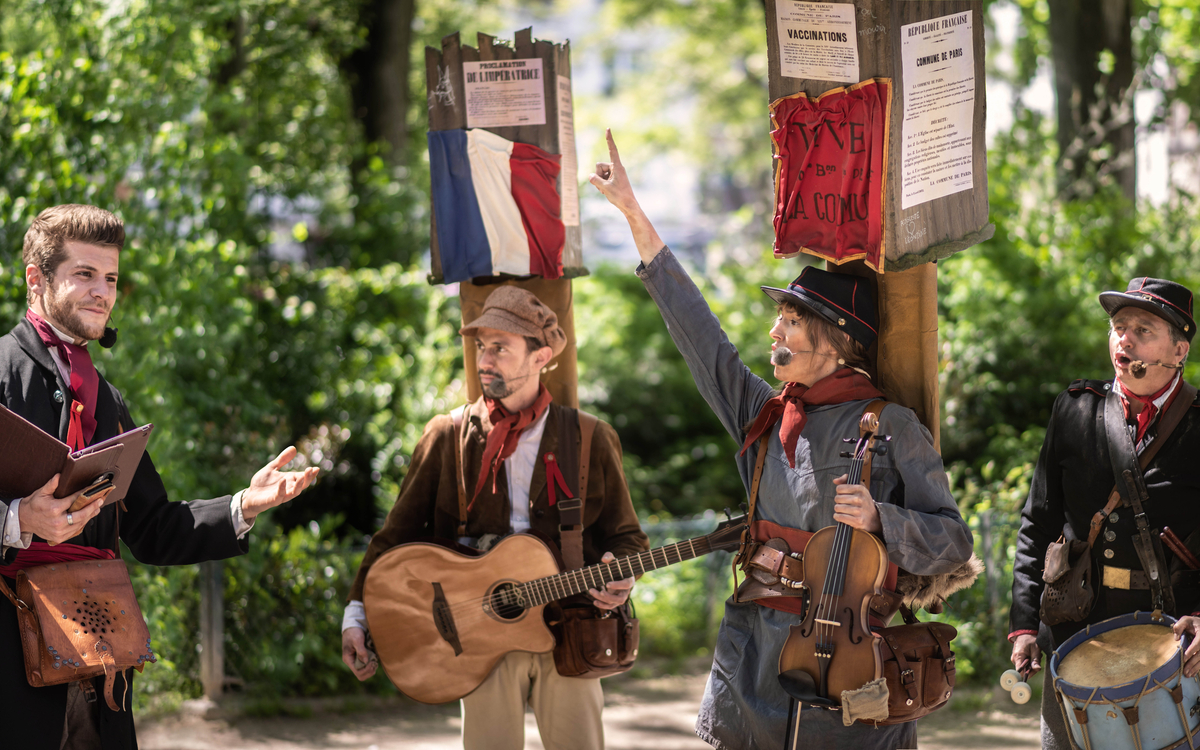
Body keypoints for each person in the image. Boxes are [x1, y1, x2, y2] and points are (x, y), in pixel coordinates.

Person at [589, 130, 973, 749]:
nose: (775, 331)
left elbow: (953, 543)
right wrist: (636, 216)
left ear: (838, 339)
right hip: (752, 659)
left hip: (852, 668)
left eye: (792, 320)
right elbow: (700, 337)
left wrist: (883, 519)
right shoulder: (765, 413)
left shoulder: (891, 425)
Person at [0, 204, 320, 750]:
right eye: (85, 274)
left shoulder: (108, 399)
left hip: (99, 664)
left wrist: (244, 504)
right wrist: (16, 520)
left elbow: (152, 528)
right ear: (37, 279)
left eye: (112, 278)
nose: (103, 291)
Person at [341, 285, 648, 750]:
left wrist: (622, 578)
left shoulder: (590, 437)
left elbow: (627, 538)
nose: (485, 359)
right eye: (482, 346)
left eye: (500, 347)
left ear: (540, 355)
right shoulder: (447, 436)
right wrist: (357, 613)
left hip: (571, 628)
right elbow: (395, 536)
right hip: (477, 633)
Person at [1009, 276, 1200, 749]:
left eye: (1143, 329)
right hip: (1077, 624)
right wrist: (1024, 624)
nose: (1125, 338)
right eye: (1118, 326)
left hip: (1177, 634)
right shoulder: (1074, 410)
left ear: (1179, 350)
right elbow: (1040, 521)